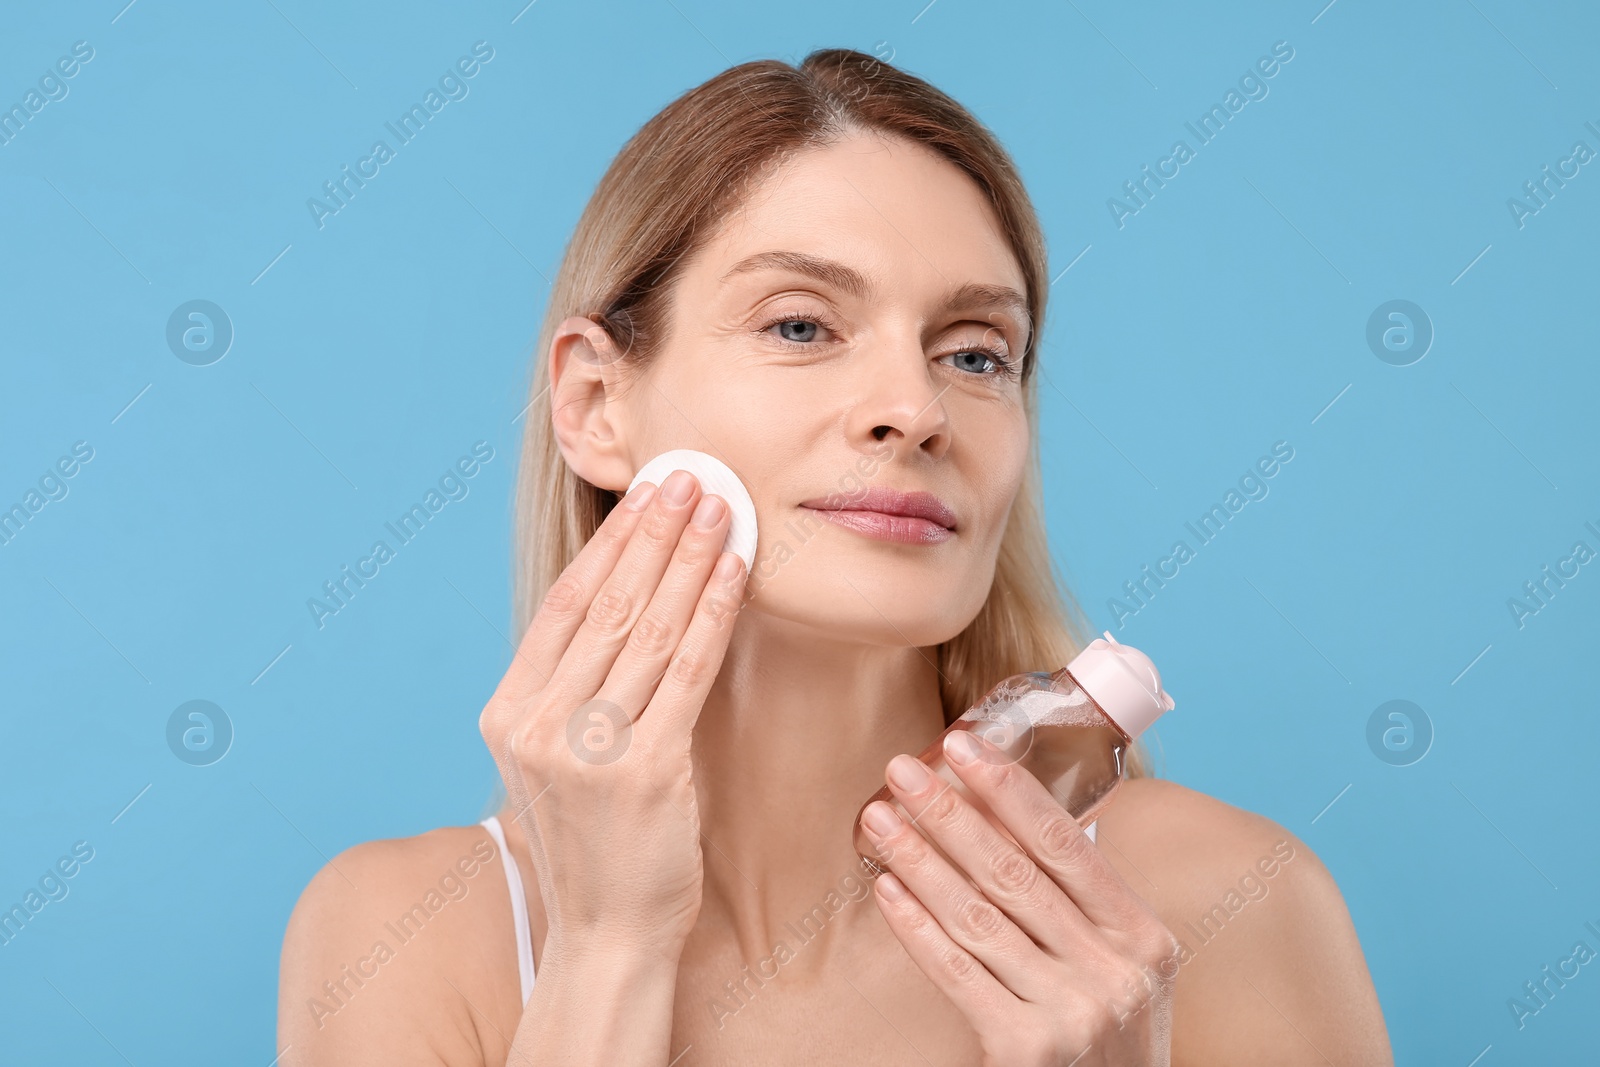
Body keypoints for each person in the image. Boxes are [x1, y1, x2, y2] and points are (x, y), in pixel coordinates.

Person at [278, 48, 1392, 1065]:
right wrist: (607, 951)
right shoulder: (400, 936)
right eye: (801, 325)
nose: (914, 408)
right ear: (593, 400)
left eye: (975, 352)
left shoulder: (1219, 903)